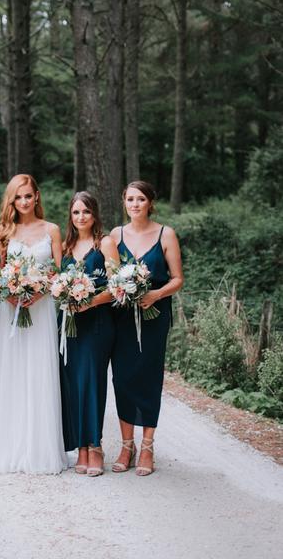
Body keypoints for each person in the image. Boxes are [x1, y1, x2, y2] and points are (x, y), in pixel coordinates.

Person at [0, 174, 67, 474]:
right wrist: (9, 292)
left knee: (40, 371)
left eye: (28, 196)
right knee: (14, 373)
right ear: (12, 200)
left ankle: (41, 450)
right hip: (11, 308)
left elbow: (59, 272)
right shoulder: (4, 232)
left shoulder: (52, 230)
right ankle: (11, 446)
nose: (23, 202)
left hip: (42, 309)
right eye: (18, 197)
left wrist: (41, 290)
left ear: (37, 197)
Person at [110, 181, 183, 476]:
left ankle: (148, 445)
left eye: (141, 199)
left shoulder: (166, 234)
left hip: (154, 316)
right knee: (123, 377)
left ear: (150, 203)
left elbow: (177, 279)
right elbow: (110, 276)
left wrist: (155, 294)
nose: (135, 204)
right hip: (122, 317)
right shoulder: (115, 235)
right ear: (124, 202)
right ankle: (127, 445)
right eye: (130, 199)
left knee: (149, 377)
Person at [59, 192, 119, 477]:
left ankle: (96, 445)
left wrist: (89, 301)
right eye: (75, 213)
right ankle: (80, 447)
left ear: (94, 214)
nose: (80, 217)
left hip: (97, 323)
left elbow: (118, 287)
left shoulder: (104, 243)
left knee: (93, 382)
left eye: (85, 212)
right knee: (73, 383)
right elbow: (55, 284)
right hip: (70, 327)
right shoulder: (66, 245)